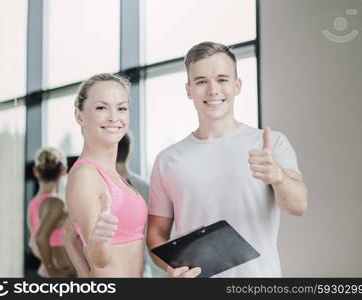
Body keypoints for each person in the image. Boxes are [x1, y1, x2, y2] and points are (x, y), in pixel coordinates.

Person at [147, 41, 308, 278]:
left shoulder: (271, 144)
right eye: (201, 81)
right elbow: (155, 235)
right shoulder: (167, 160)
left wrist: (278, 177)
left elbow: (298, 205)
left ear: (237, 85)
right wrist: (172, 268)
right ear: (189, 90)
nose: (213, 90)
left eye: (222, 79)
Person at [65, 73, 148, 277]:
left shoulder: (111, 175)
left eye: (121, 108)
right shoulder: (86, 174)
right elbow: (99, 259)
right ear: (79, 115)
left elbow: (68, 233)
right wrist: (97, 242)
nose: (113, 117)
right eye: (101, 107)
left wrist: (85, 277)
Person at [27, 147, 76, 278]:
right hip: (57, 275)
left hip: (46, 274)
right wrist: (52, 270)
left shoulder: (33, 204)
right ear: (64, 171)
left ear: (36, 171)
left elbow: (33, 243)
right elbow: (40, 238)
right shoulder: (55, 203)